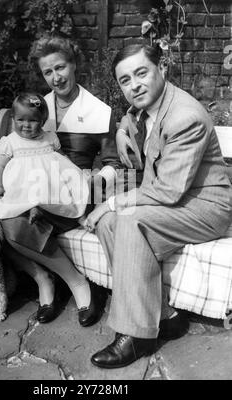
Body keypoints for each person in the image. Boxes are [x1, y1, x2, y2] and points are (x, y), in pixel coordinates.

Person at [81, 44, 232, 368]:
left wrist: (111, 202)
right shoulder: (148, 105)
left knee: (128, 220)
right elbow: (134, 114)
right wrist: (122, 129)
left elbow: (167, 190)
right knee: (111, 224)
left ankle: (136, 336)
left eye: (141, 73)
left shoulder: (185, 117)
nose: (134, 85)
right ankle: (167, 316)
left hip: (208, 207)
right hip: (177, 202)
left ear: (160, 69)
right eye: (125, 80)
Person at [0, 36, 122, 326]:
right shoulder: (36, 107)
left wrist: (92, 182)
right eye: (48, 72)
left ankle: (77, 284)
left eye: (61, 67)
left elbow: (113, 164)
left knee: (16, 224)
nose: (56, 77)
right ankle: (44, 278)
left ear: (74, 64)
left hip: (76, 193)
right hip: (35, 188)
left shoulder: (99, 111)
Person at [0, 92, 89, 222]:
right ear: (13, 119)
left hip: (48, 183)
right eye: (20, 120)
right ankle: (31, 210)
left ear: (42, 121)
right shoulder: (10, 142)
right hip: (22, 184)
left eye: (32, 120)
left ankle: (45, 211)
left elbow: (62, 157)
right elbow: (0, 166)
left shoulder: (50, 137)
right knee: (17, 196)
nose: (26, 125)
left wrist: (74, 172)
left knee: (67, 190)